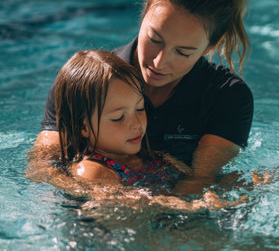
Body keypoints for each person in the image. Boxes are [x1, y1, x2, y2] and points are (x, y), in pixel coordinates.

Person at [35, 0, 254, 194]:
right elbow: (42, 167)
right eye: (154, 39)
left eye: (183, 52)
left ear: (209, 48)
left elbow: (198, 180)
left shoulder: (226, 97)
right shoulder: (88, 82)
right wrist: (103, 192)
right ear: (143, 15)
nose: (159, 62)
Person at [54, 49, 189, 192]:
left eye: (140, 109)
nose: (136, 124)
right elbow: (124, 206)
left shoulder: (151, 156)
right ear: (83, 127)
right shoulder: (93, 171)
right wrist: (186, 205)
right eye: (118, 118)